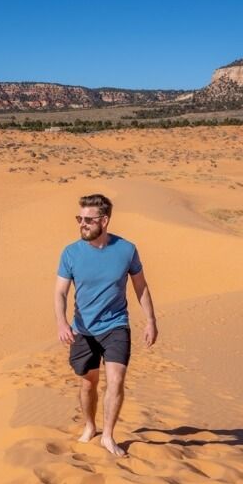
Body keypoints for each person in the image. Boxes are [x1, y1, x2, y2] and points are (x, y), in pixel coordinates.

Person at [54, 194, 158, 457]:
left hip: (116, 325)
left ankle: (108, 436)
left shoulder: (127, 250)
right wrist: (62, 322)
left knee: (116, 380)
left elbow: (140, 287)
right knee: (88, 383)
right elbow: (60, 293)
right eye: (80, 219)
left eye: (88, 220)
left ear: (105, 220)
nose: (82, 224)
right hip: (83, 329)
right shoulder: (71, 253)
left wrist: (151, 320)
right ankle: (90, 426)